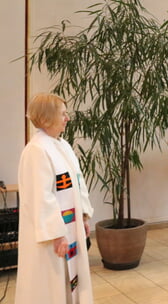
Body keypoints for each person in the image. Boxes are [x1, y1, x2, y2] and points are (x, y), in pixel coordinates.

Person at [16, 93, 95, 304]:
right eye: (62, 114)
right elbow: (40, 198)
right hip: (52, 238)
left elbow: (78, 182)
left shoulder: (62, 146)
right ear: (46, 118)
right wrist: (57, 234)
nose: (67, 118)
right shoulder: (36, 150)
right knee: (50, 288)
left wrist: (84, 216)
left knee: (68, 284)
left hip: (69, 229)